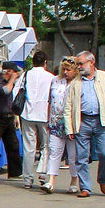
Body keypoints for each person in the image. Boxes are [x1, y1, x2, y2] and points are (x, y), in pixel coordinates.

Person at [63, 50, 105, 198]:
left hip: (102, 121)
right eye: (77, 64)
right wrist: (69, 128)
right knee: (81, 157)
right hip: (83, 121)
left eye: (81, 63)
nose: (79, 67)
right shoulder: (76, 82)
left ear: (92, 62)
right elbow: (68, 106)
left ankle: (102, 179)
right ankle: (85, 188)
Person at [42, 56, 79, 194]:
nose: (66, 72)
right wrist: (48, 119)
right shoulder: (56, 80)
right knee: (54, 151)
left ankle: (74, 180)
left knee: (73, 154)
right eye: (64, 69)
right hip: (56, 121)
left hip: (72, 123)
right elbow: (49, 101)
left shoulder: (79, 82)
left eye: (69, 69)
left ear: (76, 70)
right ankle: (50, 181)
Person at [18, 50, 54, 189]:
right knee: (46, 146)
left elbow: (17, 92)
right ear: (45, 62)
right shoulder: (51, 77)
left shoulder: (25, 75)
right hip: (45, 114)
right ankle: (43, 174)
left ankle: (27, 178)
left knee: (29, 147)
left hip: (28, 113)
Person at [0, 62, 23, 181]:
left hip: (8, 117)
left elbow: (21, 73)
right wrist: (11, 80)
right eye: (14, 72)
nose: (16, 74)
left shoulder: (12, 83)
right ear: (8, 72)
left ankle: (15, 172)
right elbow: (5, 91)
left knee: (13, 144)